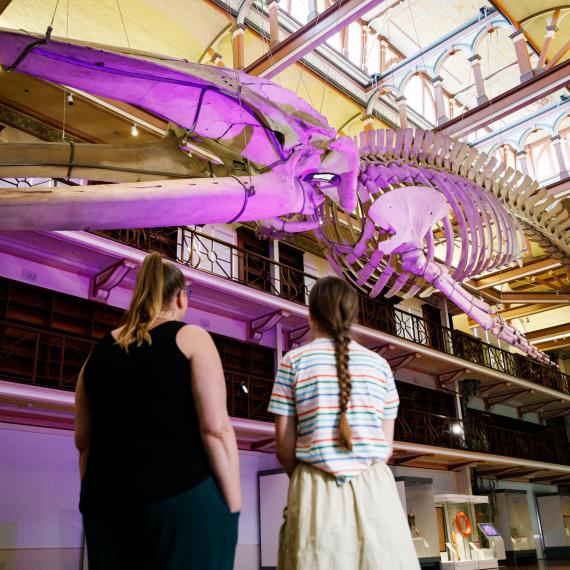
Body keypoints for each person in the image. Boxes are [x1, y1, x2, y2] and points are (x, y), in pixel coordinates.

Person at [75, 253, 241, 570]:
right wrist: (232, 507)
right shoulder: (191, 337)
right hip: (180, 498)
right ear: (180, 298)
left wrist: (96, 497)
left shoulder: (98, 352)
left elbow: (84, 441)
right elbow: (216, 429)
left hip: (105, 503)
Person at [268, 276, 420, 570]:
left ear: (311, 315)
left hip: (315, 487)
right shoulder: (380, 366)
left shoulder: (293, 361)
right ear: (353, 316)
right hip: (375, 490)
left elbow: (284, 448)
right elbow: (386, 448)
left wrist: (305, 477)